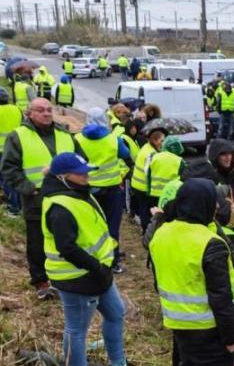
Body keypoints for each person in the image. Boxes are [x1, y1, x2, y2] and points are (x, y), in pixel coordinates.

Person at [150, 178, 234, 366]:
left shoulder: (160, 233)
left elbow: (158, 279)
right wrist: (230, 338)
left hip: (178, 324)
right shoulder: (210, 242)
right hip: (209, 329)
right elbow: (220, 298)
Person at [41, 152, 134, 366]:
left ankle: (119, 365)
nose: (87, 175)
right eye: (81, 173)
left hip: (98, 273)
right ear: (64, 177)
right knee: (76, 330)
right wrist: (96, 266)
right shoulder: (59, 207)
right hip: (78, 278)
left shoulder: (80, 193)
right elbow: (67, 248)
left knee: (116, 313)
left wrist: (105, 264)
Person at [2, 98, 81, 299]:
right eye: (40, 110)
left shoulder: (65, 134)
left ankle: (66, 277)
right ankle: (41, 281)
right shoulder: (18, 136)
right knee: (37, 242)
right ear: (30, 113)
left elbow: (81, 160)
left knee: (66, 238)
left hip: (67, 198)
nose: (46, 113)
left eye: (49, 109)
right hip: (36, 200)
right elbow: (9, 169)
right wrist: (28, 189)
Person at [74, 108, 132, 273]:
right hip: (112, 189)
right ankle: (112, 262)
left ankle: (93, 258)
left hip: (87, 189)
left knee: (91, 225)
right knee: (112, 226)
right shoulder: (113, 138)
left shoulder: (77, 139)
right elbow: (126, 154)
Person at [131, 128, 167, 232]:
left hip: (138, 184)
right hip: (144, 186)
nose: (162, 143)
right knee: (146, 211)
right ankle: (146, 230)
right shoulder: (151, 153)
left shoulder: (146, 147)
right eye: (161, 141)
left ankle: (145, 229)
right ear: (155, 141)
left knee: (144, 209)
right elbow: (149, 172)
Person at [0, 89, 23, 217]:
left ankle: (14, 208)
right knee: (15, 176)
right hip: (16, 148)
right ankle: (19, 204)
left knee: (6, 179)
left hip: (1, 151)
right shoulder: (17, 109)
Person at [147, 136, 186, 210]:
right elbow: (183, 179)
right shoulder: (179, 160)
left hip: (154, 193)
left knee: (156, 216)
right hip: (170, 194)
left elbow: (149, 177)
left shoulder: (154, 157)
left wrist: (148, 192)